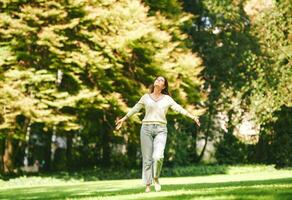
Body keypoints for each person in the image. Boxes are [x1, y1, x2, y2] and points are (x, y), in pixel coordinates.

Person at [115, 76, 200, 193]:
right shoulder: (145, 97)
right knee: (147, 159)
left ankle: (156, 178)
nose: (158, 81)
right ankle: (148, 185)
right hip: (146, 128)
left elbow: (179, 108)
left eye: (161, 80)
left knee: (158, 156)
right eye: (157, 79)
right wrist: (123, 119)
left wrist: (192, 116)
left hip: (161, 129)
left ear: (164, 86)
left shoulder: (167, 99)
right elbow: (135, 109)